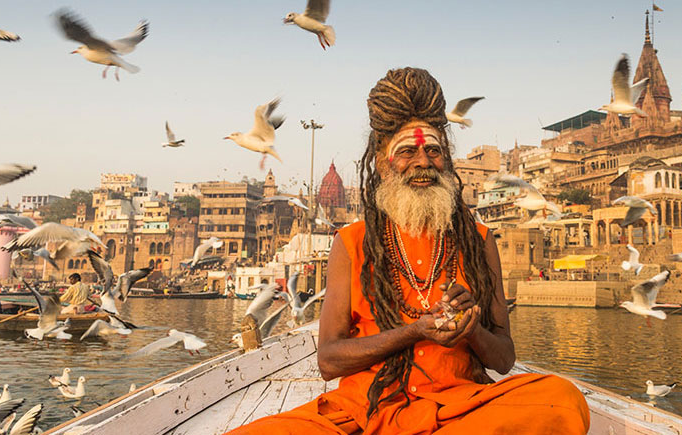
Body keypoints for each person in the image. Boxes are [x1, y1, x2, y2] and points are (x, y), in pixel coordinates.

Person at [227, 68, 589, 434]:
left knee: (562, 399)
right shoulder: (352, 241)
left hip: (458, 410)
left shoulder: (478, 239)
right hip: (364, 410)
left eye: (433, 150)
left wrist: (471, 329)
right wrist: (415, 331)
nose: (422, 162)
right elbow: (329, 361)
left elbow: (504, 359)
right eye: (407, 151)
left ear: (445, 160)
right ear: (384, 164)